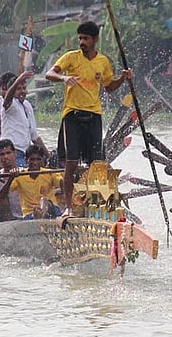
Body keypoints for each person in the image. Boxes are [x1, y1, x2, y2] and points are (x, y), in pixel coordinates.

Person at [44, 21, 131, 216]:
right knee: (71, 163)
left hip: (94, 115)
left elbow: (109, 87)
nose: (82, 42)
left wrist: (123, 78)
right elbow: (50, 74)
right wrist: (64, 78)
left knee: (96, 165)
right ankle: (68, 207)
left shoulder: (102, 62)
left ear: (95, 40)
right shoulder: (71, 57)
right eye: (80, 38)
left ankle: (96, 204)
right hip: (72, 115)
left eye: (86, 39)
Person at [8, 144, 62, 219]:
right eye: (32, 159)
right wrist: (11, 178)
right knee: (37, 211)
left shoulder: (50, 173)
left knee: (44, 200)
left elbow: (63, 184)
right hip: (29, 214)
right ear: (26, 160)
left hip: (52, 210)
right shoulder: (19, 176)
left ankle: (41, 217)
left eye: (38, 159)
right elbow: (3, 194)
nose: (35, 163)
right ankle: (40, 218)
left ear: (42, 160)